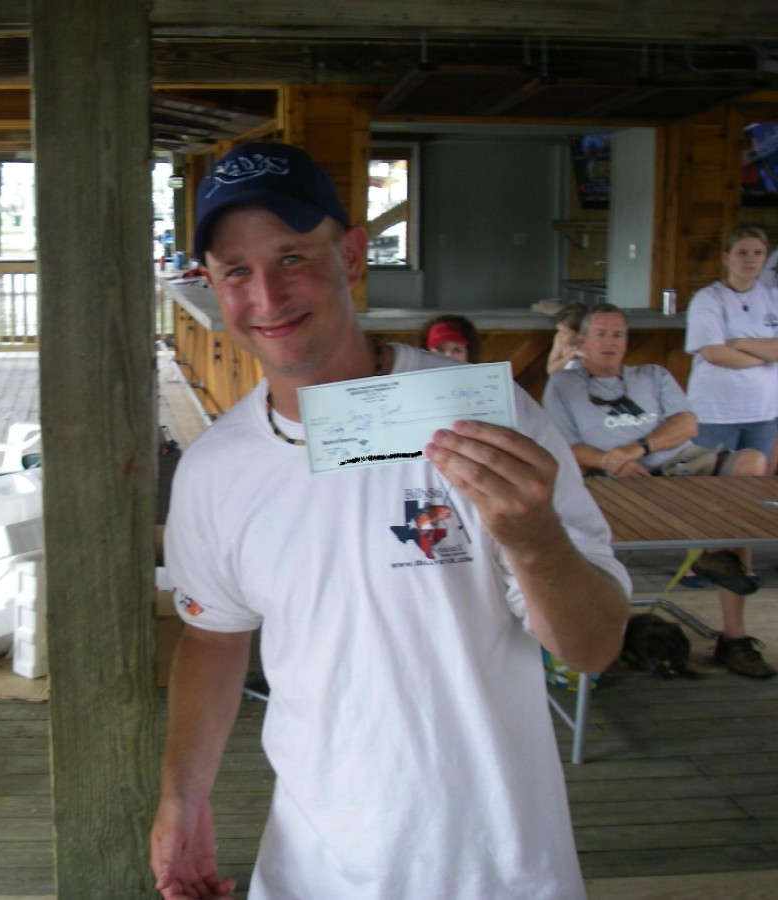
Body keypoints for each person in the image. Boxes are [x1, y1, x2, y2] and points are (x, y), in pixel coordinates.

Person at [150, 141, 630, 900]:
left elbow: (594, 647)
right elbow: (214, 638)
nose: (267, 296)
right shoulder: (215, 468)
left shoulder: (485, 419)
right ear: (210, 283)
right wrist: (183, 796)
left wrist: (536, 539)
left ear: (350, 254)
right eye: (236, 270)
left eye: (293, 257)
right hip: (314, 870)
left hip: (502, 870)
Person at [542, 303, 773, 679]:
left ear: (626, 342)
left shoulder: (653, 374)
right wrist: (610, 461)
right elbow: (563, 445)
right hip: (611, 476)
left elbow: (688, 425)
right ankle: (602, 640)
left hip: (679, 464)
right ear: (582, 341)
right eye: (601, 334)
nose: (610, 342)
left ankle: (731, 625)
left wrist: (639, 448)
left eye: (618, 335)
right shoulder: (564, 385)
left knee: (752, 462)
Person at [684, 225, 778, 469]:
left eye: (758, 253)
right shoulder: (708, 298)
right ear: (726, 257)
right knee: (708, 480)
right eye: (742, 253)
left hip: (764, 410)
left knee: (758, 480)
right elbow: (714, 353)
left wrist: (740, 343)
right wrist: (766, 355)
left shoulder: (773, 297)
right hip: (715, 411)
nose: (751, 259)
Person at [547, 303, 588, 374]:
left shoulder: (587, 344)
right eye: (558, 330)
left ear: (580, 334)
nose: (560, 335)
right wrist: (571, 354)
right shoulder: (559, 340)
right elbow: (551, 370)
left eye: (564, 332)